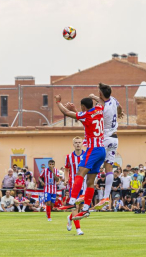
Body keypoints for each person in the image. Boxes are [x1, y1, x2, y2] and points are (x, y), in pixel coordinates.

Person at [55, 93, 106, 221]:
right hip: (101, 150)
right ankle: (85, 208)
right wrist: (95, 97)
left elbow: (66, 113)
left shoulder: (86, 114)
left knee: (79, 173)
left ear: (83, 106)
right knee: (90, 181)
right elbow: (102, 102)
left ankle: (72, 201)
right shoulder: (99, 109)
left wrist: (58, 102)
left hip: (92, 149)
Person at [85, 83, 123, 210]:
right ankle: (106, 197)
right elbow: (119, 107)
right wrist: (120, 113)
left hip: (104, 138)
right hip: (115, 138)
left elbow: (94, 115)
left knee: (88, 163)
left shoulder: (101, 108)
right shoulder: (113, 100)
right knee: (109, 167)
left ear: (101, 94)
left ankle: (84, 194)